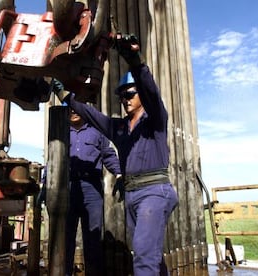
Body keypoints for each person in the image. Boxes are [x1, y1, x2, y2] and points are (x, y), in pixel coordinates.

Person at [52, 33, 178, 275]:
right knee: (150, 255)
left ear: (140, 94)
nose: (124, 100)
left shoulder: (155, 121)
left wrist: (135, 61)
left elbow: (151, 93)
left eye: (129, 94)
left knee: (143, 256)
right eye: (121, 96)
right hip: (132, 194)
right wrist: (65, 96)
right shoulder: (120, 128)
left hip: (154, 191)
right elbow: (91, 115)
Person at [66, 109, 122, 276]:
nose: (73, 112)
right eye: (70, 109)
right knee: (65, 237)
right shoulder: (61, 132)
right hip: (68, 188)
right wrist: (46, 183)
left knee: (93, 236)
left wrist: (119, 174)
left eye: (77, 109)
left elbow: (108, 155)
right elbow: (52, 159)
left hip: (91, 188)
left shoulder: (97, 131)